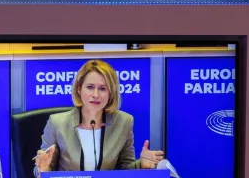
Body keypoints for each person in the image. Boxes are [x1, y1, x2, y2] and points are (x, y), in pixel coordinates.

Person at [34, 60, 164, 175]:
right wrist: (42, 169)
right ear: (79, 89)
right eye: (90, 87)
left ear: (110, 92)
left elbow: (125, 169)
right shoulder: (57, 123)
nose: (95, 94)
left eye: (102, 89)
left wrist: (141, 164)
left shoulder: (124, 122)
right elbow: (44, 169)